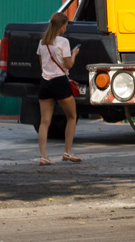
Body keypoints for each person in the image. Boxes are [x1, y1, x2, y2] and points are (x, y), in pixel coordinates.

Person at [36, 12, 83, 164]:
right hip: (60, 82)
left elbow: (42, 63)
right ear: (61, 26)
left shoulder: (42, 42)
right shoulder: (64, 42)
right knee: (72, 116)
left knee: (44, 122)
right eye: (65, 25)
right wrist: (74, 54)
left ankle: (43, 156)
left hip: (45, 82)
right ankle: (67, 152)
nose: (66, 28)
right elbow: (68, 65)